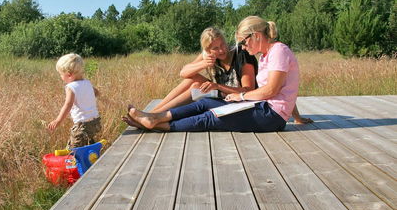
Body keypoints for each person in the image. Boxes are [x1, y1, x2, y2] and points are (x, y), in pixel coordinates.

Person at [124, 16, 312, 132]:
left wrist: (240, 96)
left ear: (255, 35)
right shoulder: (266, 55)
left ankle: (153, 124)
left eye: (243, 42)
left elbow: (272, 90)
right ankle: (154, 117)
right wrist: (296, 116)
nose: (243, 47)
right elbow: (285, 88)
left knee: (212, 117)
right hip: (264, 108)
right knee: (205, 102)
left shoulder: (278, 50)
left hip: (271, 116)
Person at [150, 27, 257, 113]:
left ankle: (156, 115)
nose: (221, 50)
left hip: (241, 102)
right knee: (193, 80)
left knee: (196, 86)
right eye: (215, 48)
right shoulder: (207, 56)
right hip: (223, 96)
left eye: (223, 44)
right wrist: (203, 63)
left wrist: (217, 86)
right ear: (208, 50)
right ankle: (155, 112)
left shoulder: (241, 54)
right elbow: (183, 73)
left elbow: (248, 90)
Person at [48, 53, 101, 148]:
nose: (61, 77)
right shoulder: (87, 83)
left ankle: (77, 162)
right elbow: (97, 93)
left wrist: (58, 120)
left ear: (69, 75)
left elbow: (68, 105)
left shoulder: (71, 87)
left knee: (74, 150)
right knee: (88, 145)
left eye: (61, 74)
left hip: (82, 126)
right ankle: (91, 159)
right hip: (95, 122)